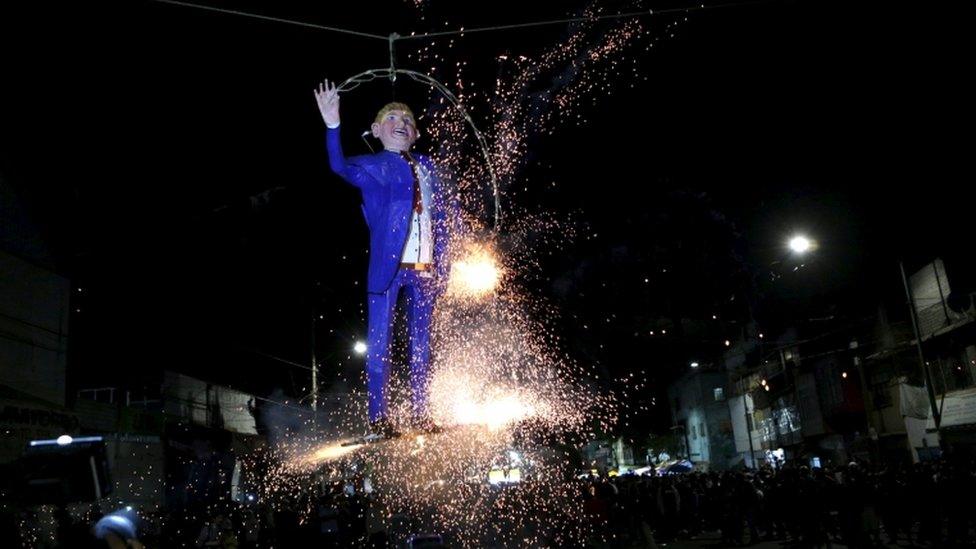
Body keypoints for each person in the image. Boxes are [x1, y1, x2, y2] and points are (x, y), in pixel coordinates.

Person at [314, 80, 456, 432]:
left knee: (422, 346)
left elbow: (448, 216)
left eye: (407, 119)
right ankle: (379, 416)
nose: (401, 123)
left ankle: (422, 413)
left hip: (425, 270)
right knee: (380, 343)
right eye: (391, 118)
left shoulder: (430, 168)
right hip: (387, 271)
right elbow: (339, 167)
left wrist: (449, 261)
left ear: (416, 132)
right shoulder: (375, 165)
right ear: (376, 130)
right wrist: (333, 125)